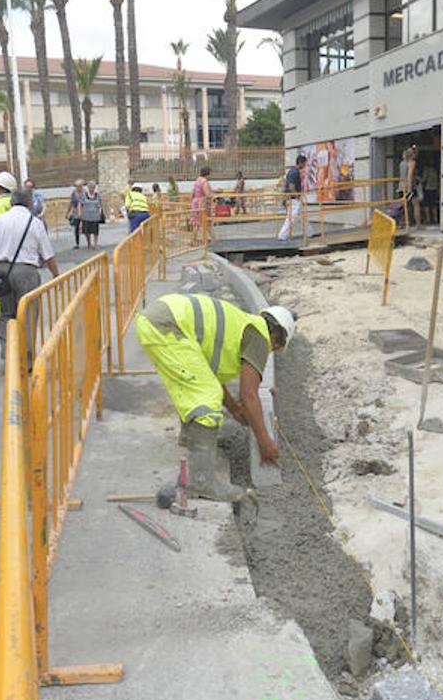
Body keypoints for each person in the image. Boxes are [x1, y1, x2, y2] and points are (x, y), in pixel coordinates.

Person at [135, 294, 294, 504]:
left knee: (196, 386)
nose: (268, 353)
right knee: (206, 396)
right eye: (274, 348)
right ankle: (201, 481)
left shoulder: (242, 328)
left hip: (158, 321)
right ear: (275, 336)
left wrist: (235, 410)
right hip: (168, 324)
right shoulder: (260, 336)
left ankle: (193, 441)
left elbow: (213, 378)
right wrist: (265, 442)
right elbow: (249, 394)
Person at [0, 188, 61, 362]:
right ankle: (27, 358)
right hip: (26, 273)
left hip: (1, 273)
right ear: (30, 203)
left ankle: (9, 357)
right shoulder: (35, 222)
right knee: (28, 314)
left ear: (11, 202)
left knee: (7, 314)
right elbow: (47, 254)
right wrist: (56, 275)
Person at [276, 155, 306, 241]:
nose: (305, 166)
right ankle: (282, 235)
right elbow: (291, 186)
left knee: (303, 216)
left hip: (291, 198)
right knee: (291, 218)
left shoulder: (291, 171)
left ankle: (309, 232)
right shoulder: (295, 172)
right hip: (293, 199)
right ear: (301, 163)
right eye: (304, 164)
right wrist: (297, 196)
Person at [79, 181, 105, 249]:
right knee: (87, 231)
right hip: (86, 216)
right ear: (88, 188)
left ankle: (95, 244)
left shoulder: (97, 195)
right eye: (90, 187)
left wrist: (100, 212)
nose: (92, 189)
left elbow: (100, 204)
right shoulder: (84, 195)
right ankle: (89, 243)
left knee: (95, 231)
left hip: (95, 216)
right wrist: (80, 213)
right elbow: (80, 204)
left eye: (93, 187)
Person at [190, 166, 213, 232]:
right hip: (202, 203)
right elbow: (207, 194)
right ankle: (213, 239)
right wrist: (212, 196)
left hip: (195, 203)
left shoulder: (197, 180)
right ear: (207, 174)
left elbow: (193, 192)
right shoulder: (204, 182)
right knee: (206, 222)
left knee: (197, 223)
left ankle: (213, 239)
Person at [67, 179, 84, 248]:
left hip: (84, 211)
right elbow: (71, 203)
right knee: (76, 227)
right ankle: (77, 243)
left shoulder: (84, 193)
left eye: (79, 186)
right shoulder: (73, 194)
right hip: (75, 213)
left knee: (86, 226)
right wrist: (68, 212)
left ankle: (89, 241)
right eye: (76, 186)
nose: (78, 187)